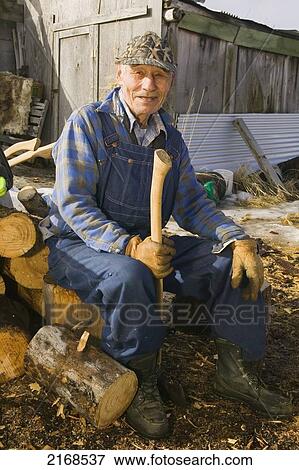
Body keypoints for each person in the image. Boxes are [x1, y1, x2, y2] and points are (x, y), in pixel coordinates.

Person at [43, 31, 292, 439]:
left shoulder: (170, 138)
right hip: (76, 244)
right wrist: (129, 245)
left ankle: (238, 371)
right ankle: (139, 381)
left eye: (159, 76)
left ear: (170, 82)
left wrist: (237, 236)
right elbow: (73, 204)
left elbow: (192, 204)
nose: (148, 84)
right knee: (130, 275)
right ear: (119, 74)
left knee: (232, 264)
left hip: (146, 245)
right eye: (138, 73)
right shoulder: (86, 123)